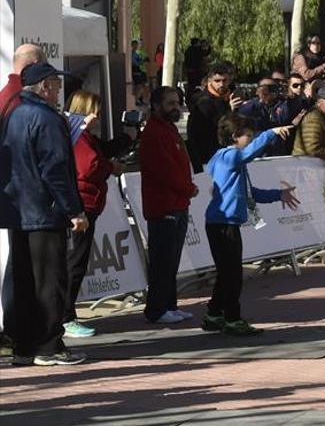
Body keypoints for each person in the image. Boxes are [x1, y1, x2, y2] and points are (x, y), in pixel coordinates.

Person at [0, 62, 89, 366]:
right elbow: (55, 170)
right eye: (55, 83)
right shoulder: (46, 118)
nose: (59, 89)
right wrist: (74, 210)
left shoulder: (14, 114)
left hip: (19, 208)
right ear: (44, 86)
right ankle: (48, 345)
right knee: (49, 280)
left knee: (23, 278)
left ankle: (23, 345)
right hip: (43, 210)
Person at [202, 114, 299, 335]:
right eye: (249, 135)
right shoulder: (229, 156)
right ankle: (232, 318)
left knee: (226, 272)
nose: (251, 139)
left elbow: (249, 193)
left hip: (224, 222)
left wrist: (278, 194)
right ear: (236, 137)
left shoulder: (231, 160)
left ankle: (214, 313)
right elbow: (248, 153)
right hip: (222, 222)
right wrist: (270, 134)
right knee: (232, 274)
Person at [63, 90, 136, 338]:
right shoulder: (79, 136)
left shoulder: (84, 136)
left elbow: (101, 151)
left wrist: (124, 141)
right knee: (75, 262)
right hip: (82, 204)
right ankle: (65, 317)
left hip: (88, 203)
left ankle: (65, 315)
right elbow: (89, 165)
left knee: (76, 261)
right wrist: (110, 167)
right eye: (95, 110)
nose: (98, 116)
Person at [140, 86, 198, 324]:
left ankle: (169, 304)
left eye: (177, 102)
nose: (176, 107)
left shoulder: (170, 129)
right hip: (164, 206)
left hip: (178, 203)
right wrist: (187, 188)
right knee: (162, 260)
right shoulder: (154, 132)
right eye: (170, 103)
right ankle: (157, 308)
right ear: (157, 106)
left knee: (172, 259)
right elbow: (164, 171)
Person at [0, 44, 44, 352]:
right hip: (20, 193)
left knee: (18, 263)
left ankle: (16, 329)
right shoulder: (16, 101)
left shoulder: (8, 96)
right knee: (21, 265)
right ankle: (19, 331)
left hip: (15, 191)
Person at [187, 62, 241, 171]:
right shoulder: (203, 102)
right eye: (217, 81)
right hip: (209, 156)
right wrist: (229, 110)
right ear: (209, 81)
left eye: (224, 81)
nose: (221, 84)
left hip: (227, 153)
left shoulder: (230, 96)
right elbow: (202, 131)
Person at [292, 86, 325, 163]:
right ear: (319, 102)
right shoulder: (313, 119)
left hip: (317, 165)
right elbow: (312, 149)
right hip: (304, 165)